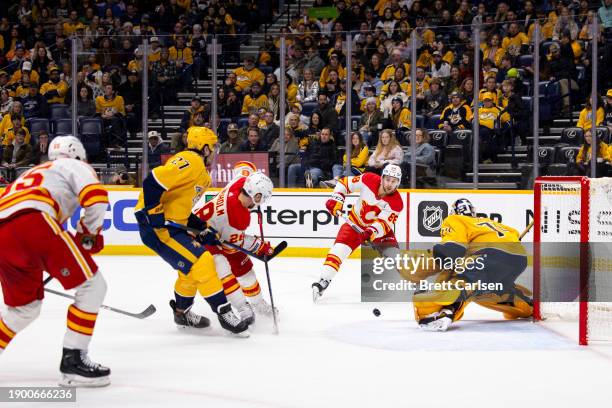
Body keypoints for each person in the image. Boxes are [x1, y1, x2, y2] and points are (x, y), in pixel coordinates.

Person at [0, 136, 111, 386]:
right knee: (92, 286)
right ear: (78, 154)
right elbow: (96, 197)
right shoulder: (74, 165)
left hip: (3, 232)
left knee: (23, 310)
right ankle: (73, 360)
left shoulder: (34, 171)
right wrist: (88, 235)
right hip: (34, 222)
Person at [134, 127, 249, 336]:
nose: (214, 151)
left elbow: (181, 210)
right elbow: (152, 181)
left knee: (189, 270)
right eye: (212, 147)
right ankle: (224, 312)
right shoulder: (190, 160)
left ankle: (181, 312)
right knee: (201, 261)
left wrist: (202, 228)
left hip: (171, 224)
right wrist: (155, 213)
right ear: (204, 148)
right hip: (156, 226)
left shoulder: (201, 173)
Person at [411, 198, 532, 331]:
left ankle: (445, 311)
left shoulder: (455, 219)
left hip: (489, 255)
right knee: (492, 291)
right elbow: (514, 235)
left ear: (454, 212)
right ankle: (529, 305)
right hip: (518, 259)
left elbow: (453, 249)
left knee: (461, 282)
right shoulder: (487, 223)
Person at [192, 166, 277, 325]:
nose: (261, 203)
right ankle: (243, 307)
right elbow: (235, 245)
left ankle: (258, 303)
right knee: (224, 267)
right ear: (256, 195)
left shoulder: (241, 181)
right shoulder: (238, 217)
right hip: (201, 235)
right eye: (261, 199)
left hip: (215, 227)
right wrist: (261, 247)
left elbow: (244, 168)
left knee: (244, 267)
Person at [312, 164, 403, 301]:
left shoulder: (397, 202)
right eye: (388, 179)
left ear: (398, 183)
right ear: (382, 177)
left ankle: (417, 283)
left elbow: (384, 224)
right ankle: (323, 281)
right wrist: (337, 199)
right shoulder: (368, 179)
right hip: (354, 224)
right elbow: (344, 183)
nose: (390, 184)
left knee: (395, 257)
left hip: (378, 232)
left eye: (394, 181)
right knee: (338, 251)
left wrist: (371, 232)